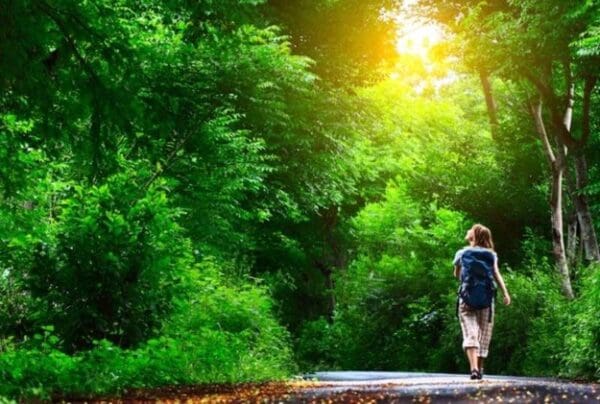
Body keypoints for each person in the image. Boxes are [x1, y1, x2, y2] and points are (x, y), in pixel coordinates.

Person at [453, 224, 511, 380]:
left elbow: (457, 275)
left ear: (475, 235)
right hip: (486, 298)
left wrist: (468, 282)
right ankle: (480, 367)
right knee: (484, 334)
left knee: (470, 333)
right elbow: (496, 274)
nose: (468, 231)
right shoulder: (491, 254)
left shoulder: (462, 253)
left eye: (470, 230)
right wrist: (505, 293)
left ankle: (473, 369)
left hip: (466, 299)